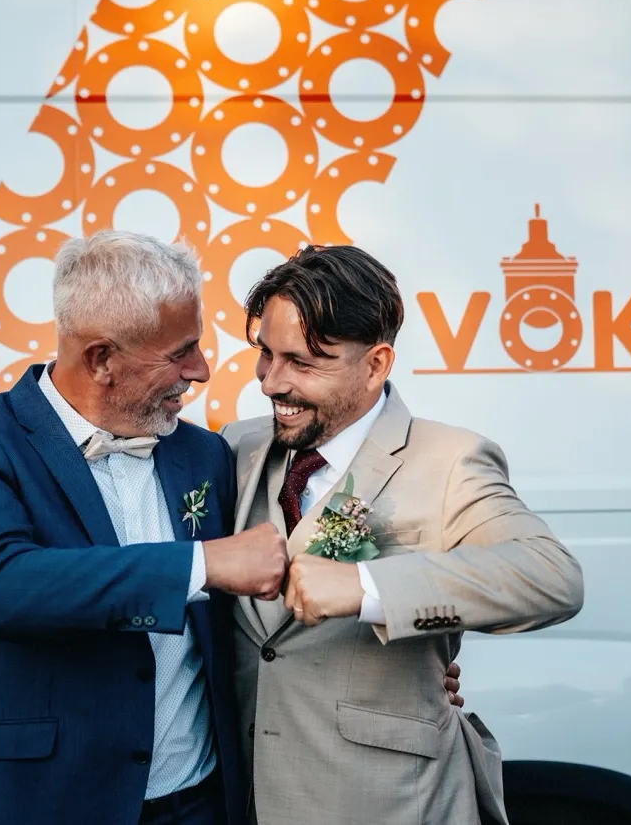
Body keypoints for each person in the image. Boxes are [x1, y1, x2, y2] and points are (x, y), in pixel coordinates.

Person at [0, 230, 291, 825]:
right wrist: (202, 564)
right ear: (102, 359)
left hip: (196, 803)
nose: (202, 370)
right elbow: (0, 586)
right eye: (180, 351)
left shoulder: (205, 455)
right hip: (37, 803)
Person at [221, 244, 585, 825]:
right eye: (266, 354)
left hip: (388, 803)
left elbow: (552, 579)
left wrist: (369, 587)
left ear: (376, 364)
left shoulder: (449, 460)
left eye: (303, 362)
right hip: (242, 799)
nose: (271, 382)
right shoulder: (234, 448)